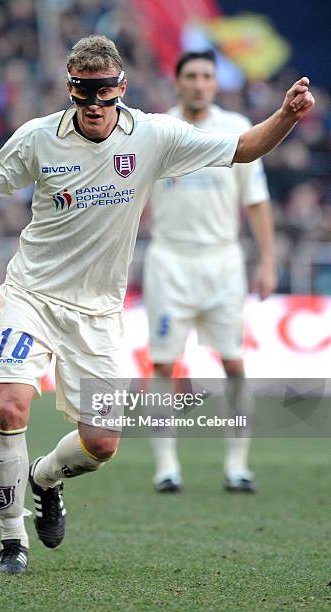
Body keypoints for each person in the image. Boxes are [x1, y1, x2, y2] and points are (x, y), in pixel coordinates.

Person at [0, 35, 314, 575]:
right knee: (11, 405)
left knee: (102, 443)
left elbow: (243, 147)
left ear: (121, 91)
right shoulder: (37, 138)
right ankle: (12, 544)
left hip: (100, 311)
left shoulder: (152, 135)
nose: (97, 109)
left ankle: (44, 478)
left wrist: (286, 116)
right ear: (72, 93)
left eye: (106, 97)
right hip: (31, 295)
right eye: (86, 98)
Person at [144, 50, 276, 495]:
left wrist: (269, 261)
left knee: (235, 363)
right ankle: (166, 467)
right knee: (163, 362)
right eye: (191, 76)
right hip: (169, 259)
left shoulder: (237, 130)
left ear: (215, 83)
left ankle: (237, 465)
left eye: (206, 76)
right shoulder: (156, 130)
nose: (199, 83)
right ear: (177, 82)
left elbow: (255, 201)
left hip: (223, 261)